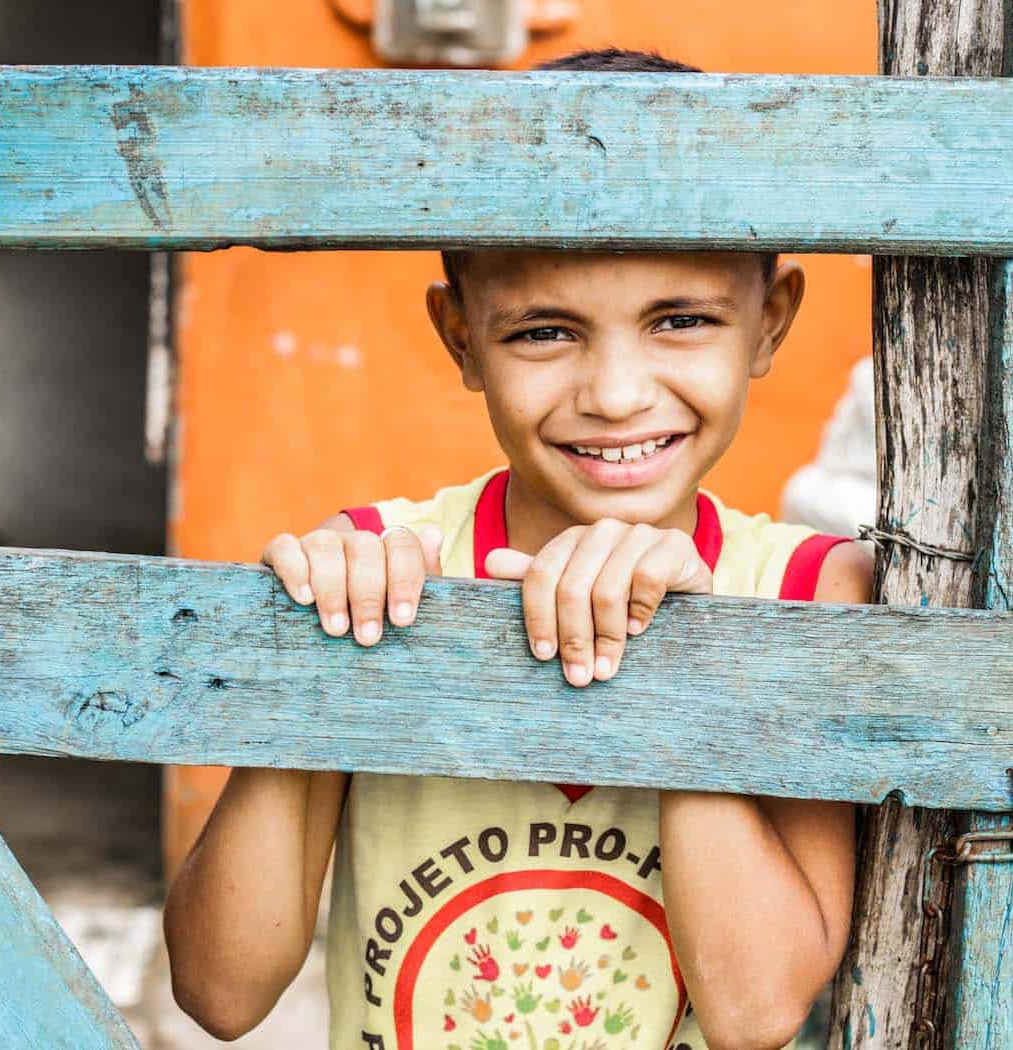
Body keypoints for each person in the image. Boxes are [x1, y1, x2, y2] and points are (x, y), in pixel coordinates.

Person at [163, 47, 868, 1050]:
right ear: (459, 338)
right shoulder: (385, 566)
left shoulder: (810, 592)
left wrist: (677, 664)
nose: (617, 394)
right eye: (544, 332)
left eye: (680, 321)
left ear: (770, 321)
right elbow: (221, 992)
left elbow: (755, 1010)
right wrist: (308, 662)